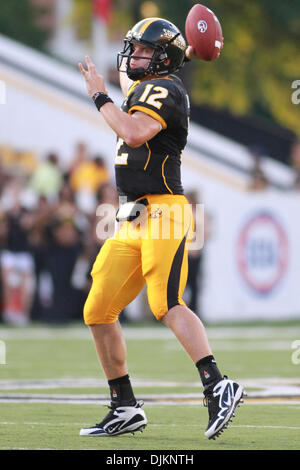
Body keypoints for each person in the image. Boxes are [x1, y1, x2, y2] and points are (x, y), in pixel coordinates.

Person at [78, 17, 245, 440]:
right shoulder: (146, 84)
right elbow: (131, 77)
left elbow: (133, 133)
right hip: (131, 217)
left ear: (162, 60)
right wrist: (175, 47)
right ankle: (125, 405)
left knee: (165, 302)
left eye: (143, 50)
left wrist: (99, 95)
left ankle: (218, 386)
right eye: (132, 48)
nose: (132, 56)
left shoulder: (166, 89)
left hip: (164, 211)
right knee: (98, 309)